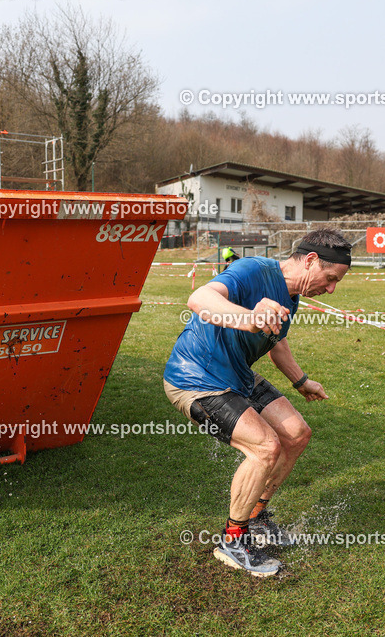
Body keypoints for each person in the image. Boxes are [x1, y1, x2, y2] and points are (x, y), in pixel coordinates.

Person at [163, 228, 352, 576]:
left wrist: (301, 381)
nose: (330, 289)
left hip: (237, 376)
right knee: (265, 447)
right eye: (329, 279)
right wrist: (248, 317)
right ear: (310, 260)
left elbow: (276, 342)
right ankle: (233, 542)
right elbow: (201, 298)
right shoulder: (253, 270)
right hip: (196, 378)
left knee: (296, 434)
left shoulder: (292, 297)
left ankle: (256, 519)